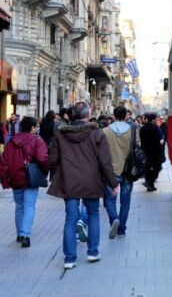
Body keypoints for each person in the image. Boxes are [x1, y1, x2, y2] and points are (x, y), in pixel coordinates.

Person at [48, 101, 119, 269]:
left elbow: (53, 160)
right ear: (88, 115)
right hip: (91, 181)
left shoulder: (60, 134)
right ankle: (93, 252)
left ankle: (69, 259)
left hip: (69, 180)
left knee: (70, 218)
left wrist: (57, 176)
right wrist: (113, 183)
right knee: (93, 214)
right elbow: (105, 162)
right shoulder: (97, 134)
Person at [0, 116, 50, 248]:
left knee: (19, 206)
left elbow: (4, 162)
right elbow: (42, 158)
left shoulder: (11, 142)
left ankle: (19, 234)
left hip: (15, 178)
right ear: (33, 127)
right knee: (29, 206)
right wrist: (45, 171)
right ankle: (25, 235)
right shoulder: (37, 141)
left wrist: (4, 180)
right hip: (30, 178)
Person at [102, 106, 138, 238]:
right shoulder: (133, 131)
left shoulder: (105, 131)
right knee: (125, 201)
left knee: (110, 199)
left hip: (111, 171)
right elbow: (137, 147)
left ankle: (113, 219)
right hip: (128, 171)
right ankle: (122, 229)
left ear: (114, 115)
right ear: (126, 116)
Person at [140, 114, 163, 191]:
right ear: (153, 120)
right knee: (156, 167)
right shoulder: (156, 128)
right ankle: (150, 182)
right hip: (155, 152)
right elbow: (160, 139)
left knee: (147, 167)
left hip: (145, 151)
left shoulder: (142, 128)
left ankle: (148, 182)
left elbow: (141, 139)